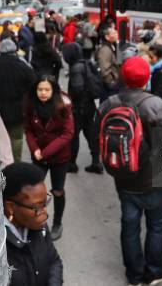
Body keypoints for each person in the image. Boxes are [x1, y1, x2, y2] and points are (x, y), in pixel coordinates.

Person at [97, 56, 162, 286]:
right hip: (154, 180)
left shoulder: (108, 103)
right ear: (147, 77)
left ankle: (134, 274)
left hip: (123, 179)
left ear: (123, 77)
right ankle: (153, 269)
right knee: (157, 225)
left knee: (129, 225)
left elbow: (98, 138)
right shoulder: (156, 105)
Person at [24, 75, 74, 240]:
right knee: (32, 190)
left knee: (57, 190)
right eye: (40, 89)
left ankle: (57, 223)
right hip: (39, 156)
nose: (43, 93)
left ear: (53, 90)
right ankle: (36, 221)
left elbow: (68, 133)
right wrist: (35, 149)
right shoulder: (31, 105)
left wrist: (45, 152)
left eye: (47, 89)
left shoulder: (63, 106)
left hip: (59, 157)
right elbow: (28, 130)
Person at [2, 162, 63, 286]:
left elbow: (54, 261)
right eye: (37, 207)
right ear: (10, 207)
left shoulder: (38, 225)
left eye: (45, 203)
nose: (45, 212)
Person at [61, 42, 102, 174]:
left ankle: (72, 164)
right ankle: (96, 162)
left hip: (79, 107)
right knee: (91, 134)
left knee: (74, 136)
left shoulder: (76, 68)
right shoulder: (87, 63)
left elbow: (78, 88)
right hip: (89, 105)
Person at [0, 38, 36, 162]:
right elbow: (33, 85)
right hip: (18, 110)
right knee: (16, 139)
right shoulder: (23, 66)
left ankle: (1, 166)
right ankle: (15, 164)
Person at [95, 23, 119, 102]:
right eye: (114, 33)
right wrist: (112, 84)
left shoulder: (111, 46)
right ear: (107, 37)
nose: (117, 34)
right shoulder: (105, 50)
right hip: (109, 89)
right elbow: (104, 70)